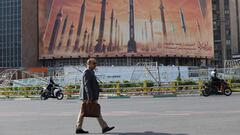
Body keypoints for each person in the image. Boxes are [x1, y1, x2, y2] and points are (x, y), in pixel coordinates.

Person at [75, 58, 115, 134]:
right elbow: (86, 85)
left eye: (96, 63)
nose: (95, 65)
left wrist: (100, 89)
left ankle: (79, 127)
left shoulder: (91, 72)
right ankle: (104, 127)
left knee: (85, 111)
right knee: (92, 110)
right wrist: (89, 97)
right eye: (94, 63)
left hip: (90, 95)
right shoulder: (87, 72)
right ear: (89, 64)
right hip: (89, 96)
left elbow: (92, 84)